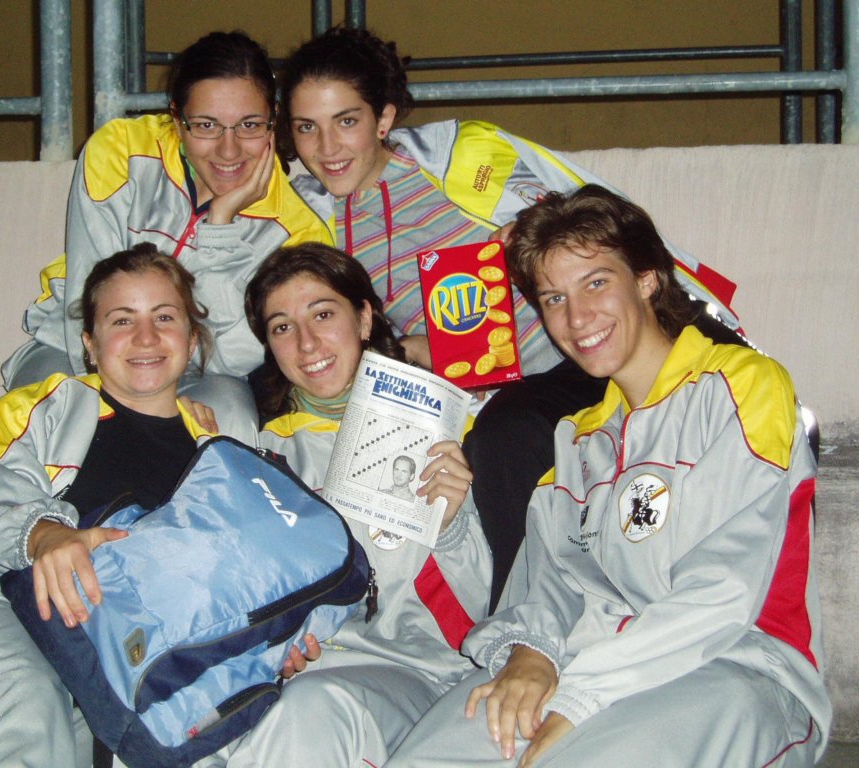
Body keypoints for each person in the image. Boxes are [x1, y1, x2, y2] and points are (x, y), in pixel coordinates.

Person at [278, 25, 743, 608]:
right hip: (531, 383)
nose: (327, 147)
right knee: (501, 440)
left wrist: (533, 232)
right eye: (306, 127)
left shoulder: (459, 157)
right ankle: (520, 624)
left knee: (728, 376)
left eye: (346, 120)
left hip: (607, 330)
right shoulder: (309, 220)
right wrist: (415, 349)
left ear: (383, 117)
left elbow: (596, 228)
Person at [383, 185, 830, 768]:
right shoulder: (578, 436)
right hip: (589, 660)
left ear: (647, 279)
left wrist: (582, 695)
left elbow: (723, 590)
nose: (576, 318)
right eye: (554, 298)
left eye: (596, 282)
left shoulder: (742, 386)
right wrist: (531, 652)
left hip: (735, 665)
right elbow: (550, 578)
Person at [0, 245, 217, 768]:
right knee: (24, 699)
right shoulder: (42, 406)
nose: (146, 337)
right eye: (122, 320)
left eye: (164, 317)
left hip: (115, 641)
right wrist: (49, 534)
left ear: (191, 339)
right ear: (90, 345)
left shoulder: (218, 452)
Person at [196, 243, 491, 767]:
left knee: (311, 709)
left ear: (364, 318)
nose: (306, 343)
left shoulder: (455, 428)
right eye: (282, 327)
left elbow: (475, 620)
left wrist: (450, 528)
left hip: (411, 669)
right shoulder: (259, 454)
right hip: (287, 676)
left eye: (323, 314)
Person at [1, 31, 327, 441]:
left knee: (230, 424)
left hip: (195, 375)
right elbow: (87, 299)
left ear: (273, 118)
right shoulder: (121, 152)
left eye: (249, 125)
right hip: (81, 355)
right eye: (206, 125)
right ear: (176, 117)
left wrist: (220, 226)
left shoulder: (298, 232)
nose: (229, 151)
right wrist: (128, 409)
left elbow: (231, 356)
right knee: (44, 415)